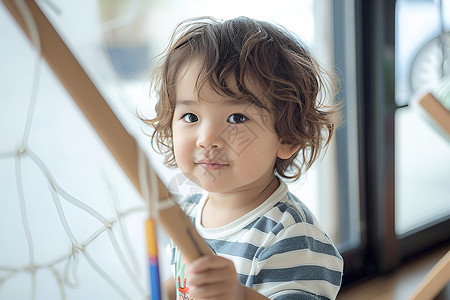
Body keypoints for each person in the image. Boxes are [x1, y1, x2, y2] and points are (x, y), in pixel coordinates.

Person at [145, 16, 343, 300]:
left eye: (236, 118)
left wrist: (239, 295)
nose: (206, 139)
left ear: (287, 138)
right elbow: (183, 285)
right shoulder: (184, 213)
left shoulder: (290, 235)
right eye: (191, 116)